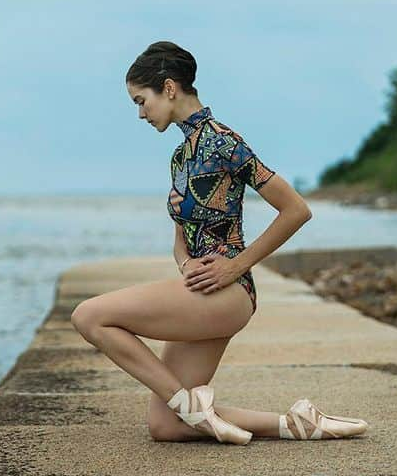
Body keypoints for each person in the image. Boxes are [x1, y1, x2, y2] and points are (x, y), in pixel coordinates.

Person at [70, 40, 369, 444]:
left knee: (89, 316)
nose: (140, 113)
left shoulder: (223, 143)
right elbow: (181, 235)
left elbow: (296, 209)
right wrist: (183, 264)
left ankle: (190, 404)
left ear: (170, 88)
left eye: (142, 101)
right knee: (166, 425)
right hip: (199, 289)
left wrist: (236, 265)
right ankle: (295, 422)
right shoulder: (181, 156)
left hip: (227, 291)